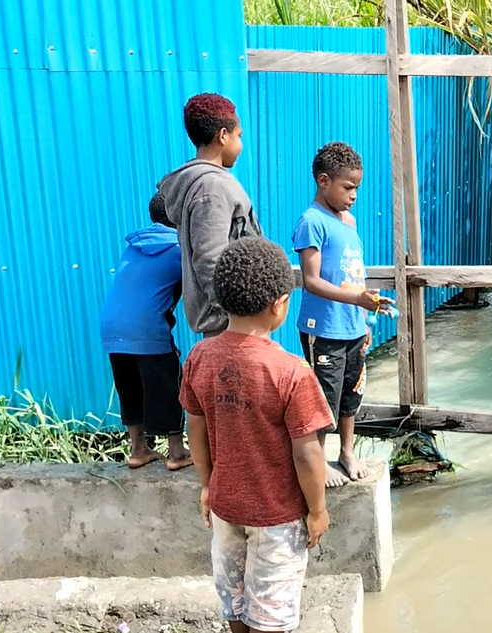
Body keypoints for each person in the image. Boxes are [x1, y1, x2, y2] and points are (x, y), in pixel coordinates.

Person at [181, 237, 331, 633]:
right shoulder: (291, 372)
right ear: (279, 304)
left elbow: (196, 429)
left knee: (235, 603)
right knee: (270, 615)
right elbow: (307, 454)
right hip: (277, 518)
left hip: (225, 507)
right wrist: (317, 510)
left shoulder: (199, 358)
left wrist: (207, 485)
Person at [293, 141, 393, 487]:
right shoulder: (311, 222)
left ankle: (347, 452)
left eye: (357, 188)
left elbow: (355, 274)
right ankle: (319, 460)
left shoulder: (348, 221)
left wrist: (365, 318)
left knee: (352, 391)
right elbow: (312, 281)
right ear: (324, 181)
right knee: (324, 395)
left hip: (352, 325)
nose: (354, 196)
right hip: (323, 327)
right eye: (348, 187)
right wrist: (357, 300)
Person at [99, 192, 192, 471]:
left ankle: (138, 449)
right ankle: (177, 452)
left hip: (112, 327)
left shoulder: (134, 246)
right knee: (167, 384)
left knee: (130, 387)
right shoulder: (178, 249)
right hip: (147, 327)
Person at [158, 92, 262, 338]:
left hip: (235, 322)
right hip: (231, 326)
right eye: (239, 136)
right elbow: (210, 259)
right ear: (223, 136)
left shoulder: (209, 183)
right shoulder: (211, 187)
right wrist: (237, 314)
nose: (241, 145)